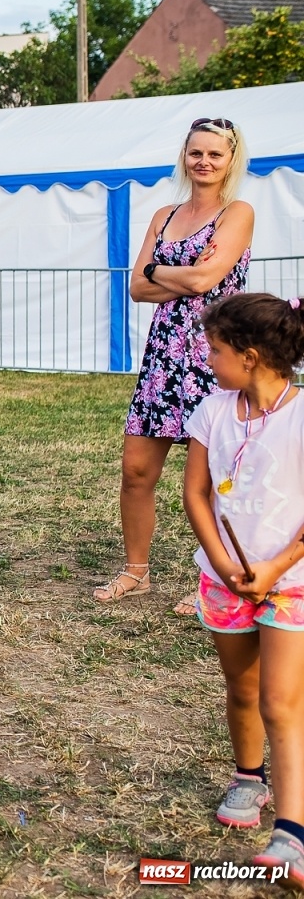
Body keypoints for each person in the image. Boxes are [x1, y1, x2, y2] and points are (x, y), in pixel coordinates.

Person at [98, 117, 254, 611]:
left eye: (215, 154)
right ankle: (136, 571)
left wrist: (158, 269)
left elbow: (206, 280)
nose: (204, 162)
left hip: (216, 355)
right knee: (136, 470)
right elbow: (137, 288)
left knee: (209, 481)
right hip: (164, 357)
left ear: (231, 159)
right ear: (183, 157)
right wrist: (177, 275)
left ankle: (214, 577)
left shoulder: (239, 212)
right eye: (196, 153)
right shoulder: (164, 214)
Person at [181, 294, 304, 877]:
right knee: (242, 688)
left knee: (281, 701)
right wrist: (222, 561)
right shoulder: (212, 410)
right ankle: (247, 778)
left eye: (216, 349)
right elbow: (195, 494)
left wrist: (277, 566)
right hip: (223, 581)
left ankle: (291, 831)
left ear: (250, 357)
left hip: (292, 582)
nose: (208, 358)